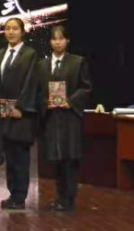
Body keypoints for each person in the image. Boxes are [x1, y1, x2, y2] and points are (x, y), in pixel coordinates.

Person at [38, 25, 93, 212]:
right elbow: (38, 92)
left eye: (61, 38)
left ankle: (68, 199)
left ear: (67, 40)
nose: (57, 42)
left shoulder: (78, 62)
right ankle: (60, 196)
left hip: (70, 117)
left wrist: (71, 101)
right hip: (51, 118)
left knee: (70, 159)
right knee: (57, 159)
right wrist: (46, 103)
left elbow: (86, 87)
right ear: (50, 42)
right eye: (54, 39)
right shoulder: (42, 65)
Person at [0, 17, 39, 210]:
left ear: (22, 31)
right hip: (2, 113)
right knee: (9, 157)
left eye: (15, 29)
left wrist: (21, 107)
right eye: (7, 28)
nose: (11, 32)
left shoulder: (30, 54)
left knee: (20, 156)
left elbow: (31, 83)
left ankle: (20, 197)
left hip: (21, 114)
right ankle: (13, 194)